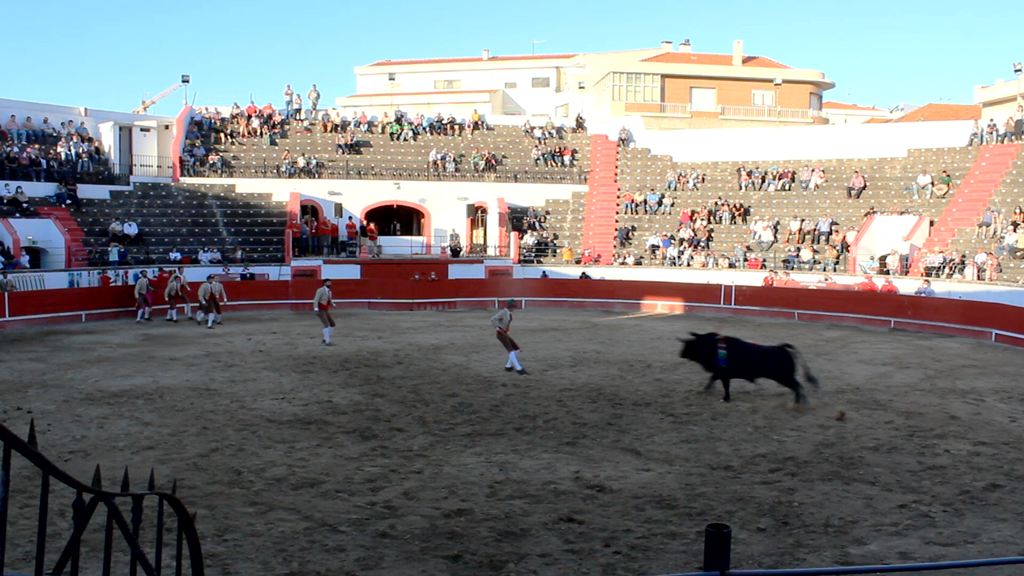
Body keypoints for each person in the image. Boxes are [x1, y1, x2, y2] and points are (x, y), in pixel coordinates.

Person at [490, 299, 527, 375]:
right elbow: (493, 319)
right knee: (511, 350)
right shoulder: (504, 312)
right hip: (500, 334)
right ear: (511, 306)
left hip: (505, 333)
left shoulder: (508, 312)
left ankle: (508, 366)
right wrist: (498, 327)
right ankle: (519, 368)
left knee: (516, 349)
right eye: (514, 306)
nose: (515, 308)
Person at [313, 278, 337, 346]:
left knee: (332, 324)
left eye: (330, 282)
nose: (329, 284)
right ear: (325, 283)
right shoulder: (320, 290)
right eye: (328, 282)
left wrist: (333, 304)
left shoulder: (329, 291)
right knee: (326, 324)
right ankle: (327, 341)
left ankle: (325, 338)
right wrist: (316, 308)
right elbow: (316, 300)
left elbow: (329, 299)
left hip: (326, 309)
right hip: (320, 309)